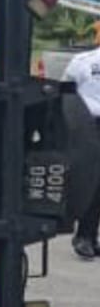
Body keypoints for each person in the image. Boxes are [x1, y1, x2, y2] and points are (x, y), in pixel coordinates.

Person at [66, 44, 100, 261]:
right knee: (92, 181)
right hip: (88, 125)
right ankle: (84, 237)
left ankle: (90, 237)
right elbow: (67, 93)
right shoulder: (83, 61)